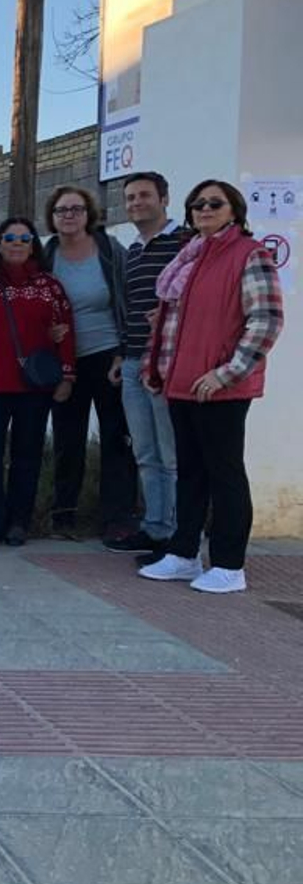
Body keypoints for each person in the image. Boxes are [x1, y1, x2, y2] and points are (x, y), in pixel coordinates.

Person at [140, 180, 284, 594]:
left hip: (219, 386)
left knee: (225, 476)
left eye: (214, 203)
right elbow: (173, 322)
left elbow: (266, 320)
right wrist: (157, 368)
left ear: (234, 211)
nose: (204, 208)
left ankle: (228, 564)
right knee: (191, 475)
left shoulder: (248, 255)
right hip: (182, 384)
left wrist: (226, 373)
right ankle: (184, 555)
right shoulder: (192, 257)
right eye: (197, 204)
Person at [0, 218, 76, 547]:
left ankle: (19, 521)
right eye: (10, 237)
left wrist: (67, 375)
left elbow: (66, 330)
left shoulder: (49, 286)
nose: (17, 243)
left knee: (27, 455)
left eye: (24, 238)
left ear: (33, 245)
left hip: (34, 386)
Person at [43, 185, 136, 540]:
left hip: (108, 354)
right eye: (61, 210)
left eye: (76, 209)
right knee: (68, 439)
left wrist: (122, 352)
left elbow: (130, 299)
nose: (69, 215)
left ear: (89, 214)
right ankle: (63, 514)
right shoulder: (46, 254)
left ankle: (117, 517)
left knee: (116, 437)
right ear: (52, 217)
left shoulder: (110, 251)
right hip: (64, 361)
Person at [108, 171, 185, 558]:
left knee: (171, 455)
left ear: (164, 198)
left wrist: (174, 315)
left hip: (169, 363)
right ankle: (155, 528)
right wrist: (122, 355)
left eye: (144, 196)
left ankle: (176, 536)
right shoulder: (134, 250)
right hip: (136, 361)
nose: (136, 203)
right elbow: (129, 308)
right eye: (131, 198)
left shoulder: (186, 243)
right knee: (146, 452)